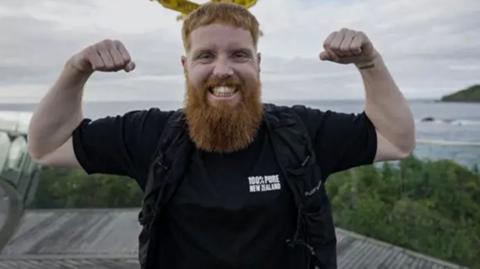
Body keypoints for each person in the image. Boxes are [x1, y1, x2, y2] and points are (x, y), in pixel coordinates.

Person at [27, 2, 415, 269]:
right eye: (206, 56)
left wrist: (369, 62)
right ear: (186, 66)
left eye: (239, 55)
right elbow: (47, 146)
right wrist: (75, 69)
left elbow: (395, 139)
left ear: (258, 64)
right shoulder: (151, 134)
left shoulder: (300, 132)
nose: (223, 70)